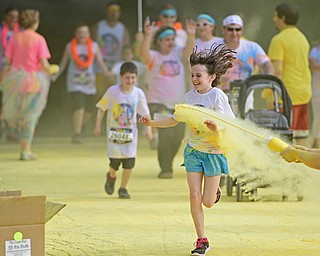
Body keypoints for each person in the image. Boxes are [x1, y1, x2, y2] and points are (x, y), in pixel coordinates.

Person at [139, 44, 236, 255]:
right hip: (193, 152)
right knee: (194, 196)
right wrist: (152, 123)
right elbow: (174, 120)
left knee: (207, 202)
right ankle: (201, 240)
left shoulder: (217, 97)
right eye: (192, 74)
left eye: (198, 75)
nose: (194, 79)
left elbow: (231, 123)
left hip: (214, 153)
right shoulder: (189, 97)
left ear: (211, 77)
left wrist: (216, 126)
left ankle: (214, 190)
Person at [139, 17, 196, 178]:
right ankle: (165, 169)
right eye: (166, 40)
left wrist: (191, 35)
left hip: (178, 104)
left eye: (172, 39)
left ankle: (167, 162)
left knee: (177, 136)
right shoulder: (154, 56)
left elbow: (188, 52)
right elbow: (143, 54)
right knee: (165, 135)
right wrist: (148, 34)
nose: (170, 42)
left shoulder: (177, 52)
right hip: (158, 103)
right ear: (159, 42)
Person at [94, 62, 152, 199]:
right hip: (114, 133)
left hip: (130, 135)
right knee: (114, 162)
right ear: (120, 77)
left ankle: (123, 188)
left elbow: (145, 113)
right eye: (127, 78)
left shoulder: (138, 93)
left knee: (129, 163)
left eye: (133, 78)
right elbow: (102, 108)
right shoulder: (113, 91)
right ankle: (111, 176)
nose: (130, 81)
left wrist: (149, 129)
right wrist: (97, 125)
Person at [0, 9, 52, 160]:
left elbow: (8, 63)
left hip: (15, 80)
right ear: (35, 22)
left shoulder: (14, 38)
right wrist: (52, 70)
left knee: (14, 112)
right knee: (30, 116)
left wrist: (3, 79)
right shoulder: (38, 39)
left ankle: (13, 135)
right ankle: (25, 150)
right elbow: (44, 64)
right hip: (33, 82)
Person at [52, 23, 111, 143]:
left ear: (89, 34)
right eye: (79, 33)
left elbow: (100, 62)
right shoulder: (70, 46)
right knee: (79, 106)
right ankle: (77, 134)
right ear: (75, 34)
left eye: (84, 33)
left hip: (89, 83)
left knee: (88, 111)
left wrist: (108, 74)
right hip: (75, 83)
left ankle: (81, 127)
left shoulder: (94, 46)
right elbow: (63, 64)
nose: (82, 35)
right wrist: (54, 76)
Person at [268, 3, 311, 146]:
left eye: (275, 16)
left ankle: (281, 168)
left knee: (282, 138)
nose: (274, 19)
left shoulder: (278, 40)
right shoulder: (303, 38)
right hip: (304, 93)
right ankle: (305, 167)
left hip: (285, 96)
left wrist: (269, 95)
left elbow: (277, 71)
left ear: (283, 18)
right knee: (301, 136)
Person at [216, 14, 274, 113]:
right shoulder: (215, 47)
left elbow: (266, 64)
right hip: (221, 94)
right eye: (230, 29)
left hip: (245, 93)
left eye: (237, 29)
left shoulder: (252, 47)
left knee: (244, 123)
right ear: (223, 30)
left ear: (242, 31)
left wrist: (269, 77)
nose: (234, 33)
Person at [93, 1, 131, 100]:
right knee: (98, 96)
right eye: (111, 11)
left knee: (115, 96)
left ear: (120, 13)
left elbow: (127, 49)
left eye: (116, 11)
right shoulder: (99, 26)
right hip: (99, 68)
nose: (113, 13)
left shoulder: (123, 29)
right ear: (106, 12)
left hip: (116, 68)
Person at [0, 7, 20, 141]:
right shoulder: (1, 30)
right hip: (2, 70)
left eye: (16, 16)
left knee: (14, 101)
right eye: (11, 16)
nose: (14, 19)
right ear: (6, 17)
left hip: (16, 72)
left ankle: (11, 131)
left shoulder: (21, 32)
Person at [309, 44, 320, 148]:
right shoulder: (315, 51)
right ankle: (316, 141)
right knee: (318, 116)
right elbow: (313, 67)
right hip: (317, 90)